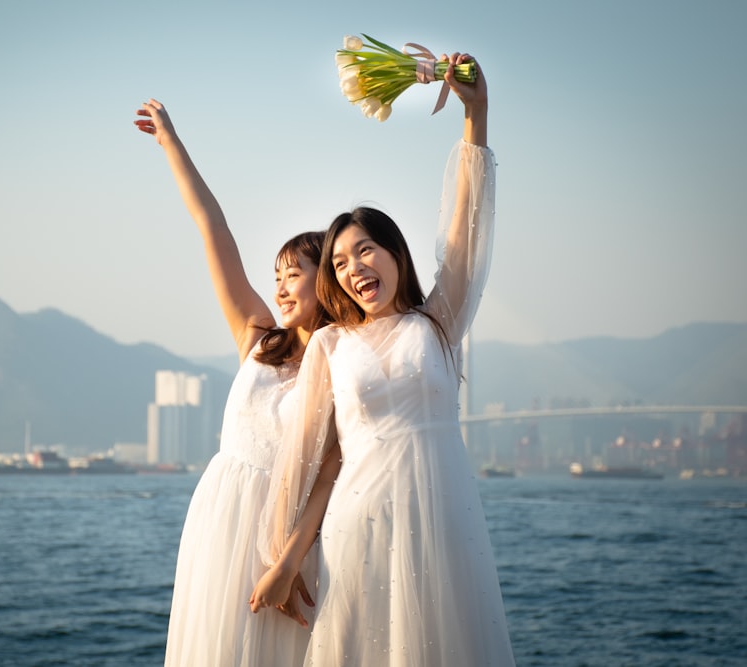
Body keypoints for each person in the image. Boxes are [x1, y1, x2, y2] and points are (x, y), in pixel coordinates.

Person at [249, 53, 516, 665]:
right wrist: (284, 562)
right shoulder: (330, 345)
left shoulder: (438, 321)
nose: (355, 268)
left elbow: (466, 226)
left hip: (444, 528)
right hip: (360, 524)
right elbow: (313, 468)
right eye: (340, 263)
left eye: (365, 250)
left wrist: (475, 112)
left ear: (394, 252)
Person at [134, 98, 331, 667]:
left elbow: (334, 471)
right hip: (221, 523)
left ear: (330, 279)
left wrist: (289, 562)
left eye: (294, 274)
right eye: (276, 277)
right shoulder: (258, 337)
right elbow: (212, 228)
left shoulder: (343, 362)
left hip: (290, 537)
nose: (280, 287)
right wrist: (171, 143)